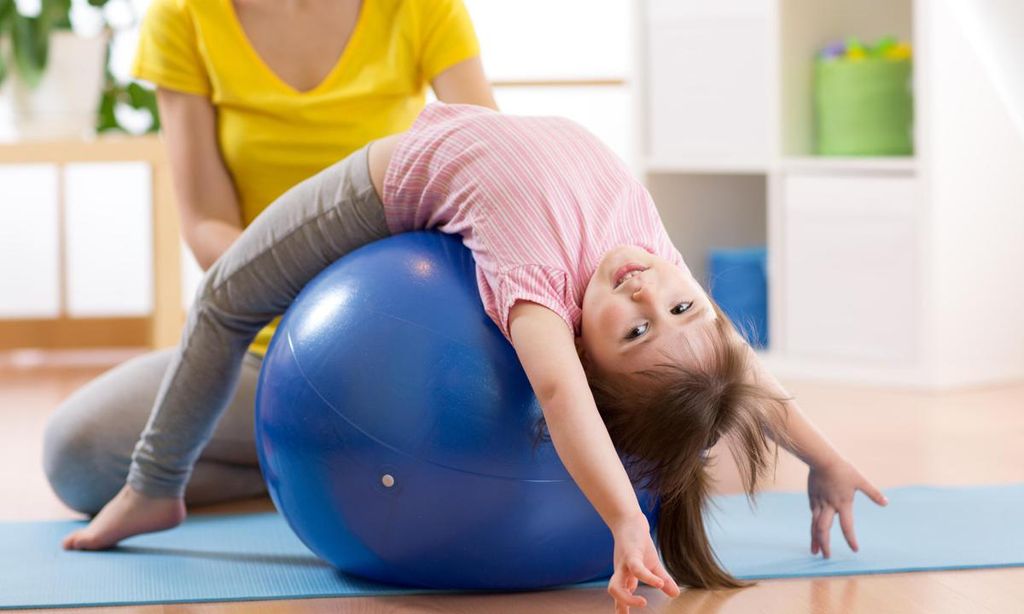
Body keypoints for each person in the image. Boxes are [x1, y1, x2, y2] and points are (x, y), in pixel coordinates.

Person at [61, 103, 887, 612]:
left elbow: (562, 400)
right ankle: (164, 479)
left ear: (582, 347)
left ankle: (152, 487)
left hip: (380, 188)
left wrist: (627, 521)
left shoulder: (537, 289)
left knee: (224, 301)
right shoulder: (654, 259)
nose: (646, 293)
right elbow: (740, 367)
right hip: (451, 158)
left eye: (634, 332)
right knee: (223, 299)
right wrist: (826, 457)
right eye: (679, 306)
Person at [43, 0, 496, 514]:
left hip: (399, 347)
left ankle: (320, 463)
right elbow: (205, 226)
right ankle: (305, 470)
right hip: (260, 348)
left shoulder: (422, 9)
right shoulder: (183, 18)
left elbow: (487, 164)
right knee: (78, 455)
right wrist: (314, 294)